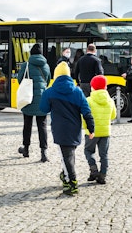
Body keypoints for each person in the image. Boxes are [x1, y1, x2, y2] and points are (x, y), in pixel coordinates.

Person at [39, 62, 95, 196]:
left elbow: (43, 109)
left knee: (66, 157)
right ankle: (66, 176)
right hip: (75, 129)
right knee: (69, 155)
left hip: (60, 129)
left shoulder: (50, 91)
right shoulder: (77, 91)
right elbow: (86, 111)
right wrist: (91, 128)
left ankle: (72, 183)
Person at [17, 44, 51, 162]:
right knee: (42, 126)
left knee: (27, 124)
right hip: (42, 99)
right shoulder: (46, 66)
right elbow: (47, 81)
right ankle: (44, 153)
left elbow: (19, 79)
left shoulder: (26, 65)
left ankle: (26, 149)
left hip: (28, 99)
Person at [83, 75, 116, 185]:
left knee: (88, 151)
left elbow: (84, 117)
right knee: (104, 154)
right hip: (105, 132)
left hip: (92, 132)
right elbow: (113, 115)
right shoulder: (110, 101)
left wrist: (86, 128)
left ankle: (93, 169)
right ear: (105, 87)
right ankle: (102, 175)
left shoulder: (88, 100)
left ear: (92, 87)